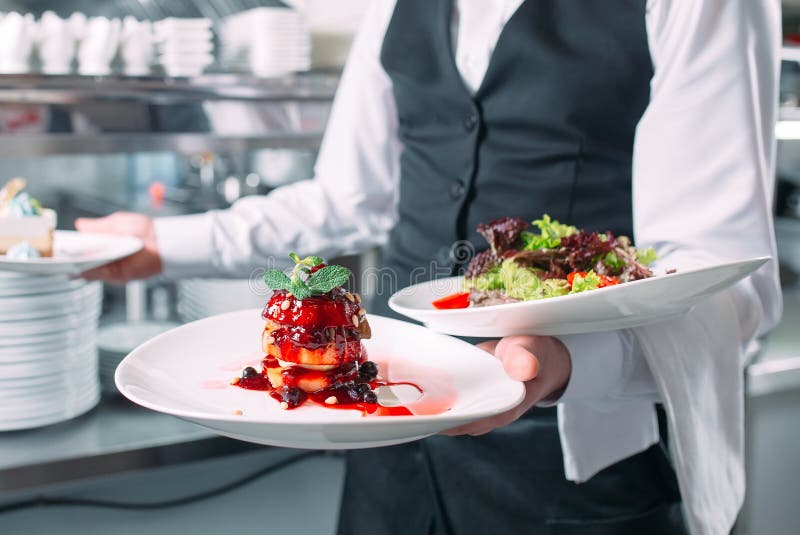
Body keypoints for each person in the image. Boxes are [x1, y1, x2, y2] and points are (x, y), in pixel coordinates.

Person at [77, 1, 783, 533]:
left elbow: (729, 281)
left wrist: (569, 360)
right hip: (387, 446)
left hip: (573, 473)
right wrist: (163, 243)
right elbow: (347, 195)